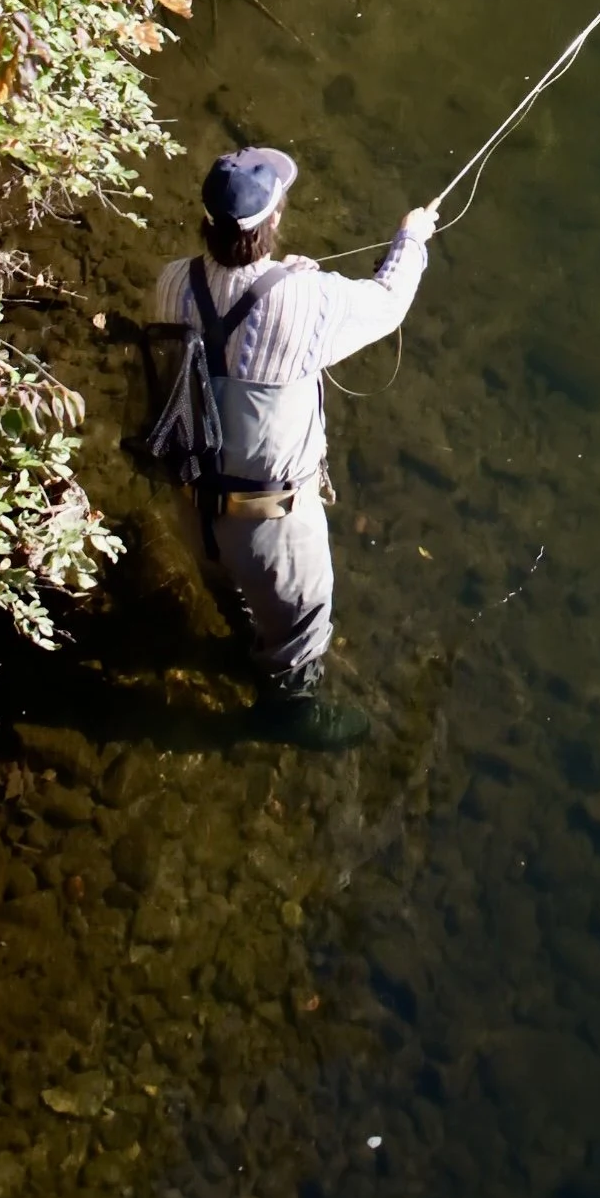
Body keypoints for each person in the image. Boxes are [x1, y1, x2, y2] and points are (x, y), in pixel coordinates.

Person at [154, 143, 438, 750]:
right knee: (301, 628)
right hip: (273, 528)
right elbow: (388, 305)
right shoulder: (312, 300)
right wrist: (411, 238)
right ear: (275, 220)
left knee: (227, 592)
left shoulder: (170, 282)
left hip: (191, 503)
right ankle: (289, 712)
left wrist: (292, 284)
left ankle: (238, 641)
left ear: (206, 220)